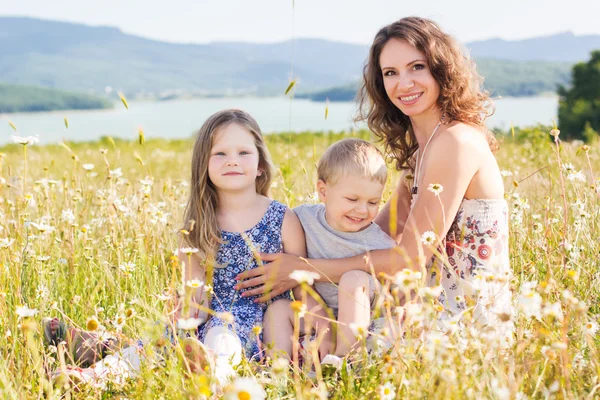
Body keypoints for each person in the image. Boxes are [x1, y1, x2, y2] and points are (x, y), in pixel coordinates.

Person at [236, 17, 512, 338]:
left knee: (316, 339)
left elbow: (407, 261)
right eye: (390, 73)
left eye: (417, 67)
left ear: (441, 69)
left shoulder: (455, 142)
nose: (404, 83)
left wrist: (302, 269)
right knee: (287, 319)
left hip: (463, 321)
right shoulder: (423, 151)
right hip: (429, 305)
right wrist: (293, 241)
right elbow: (375, 230)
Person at [43, 109, 307, 384]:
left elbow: (301, 286)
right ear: (202, 164)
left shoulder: (282, 218)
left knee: (222, 335)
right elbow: (194, 288)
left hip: (255, 324)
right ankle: (97, 376)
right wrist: (189, 308)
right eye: (220, 154)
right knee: (157, 340)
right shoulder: (199, 222)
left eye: (243, 153)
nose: (232, 161)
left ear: (260, 164)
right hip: (203, 317)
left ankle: (215, 374)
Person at [263, 138, 397, 360]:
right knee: (278, 309)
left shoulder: (380, 243)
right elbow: (296, 278)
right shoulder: (301, 219)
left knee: (353, 279)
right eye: (352, 199)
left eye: (373, 202)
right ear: (323, 192)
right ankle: (279, 372)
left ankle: (342, 363)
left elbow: (401, 286)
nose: (362, 210)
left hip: (366, 320)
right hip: (318, 314)